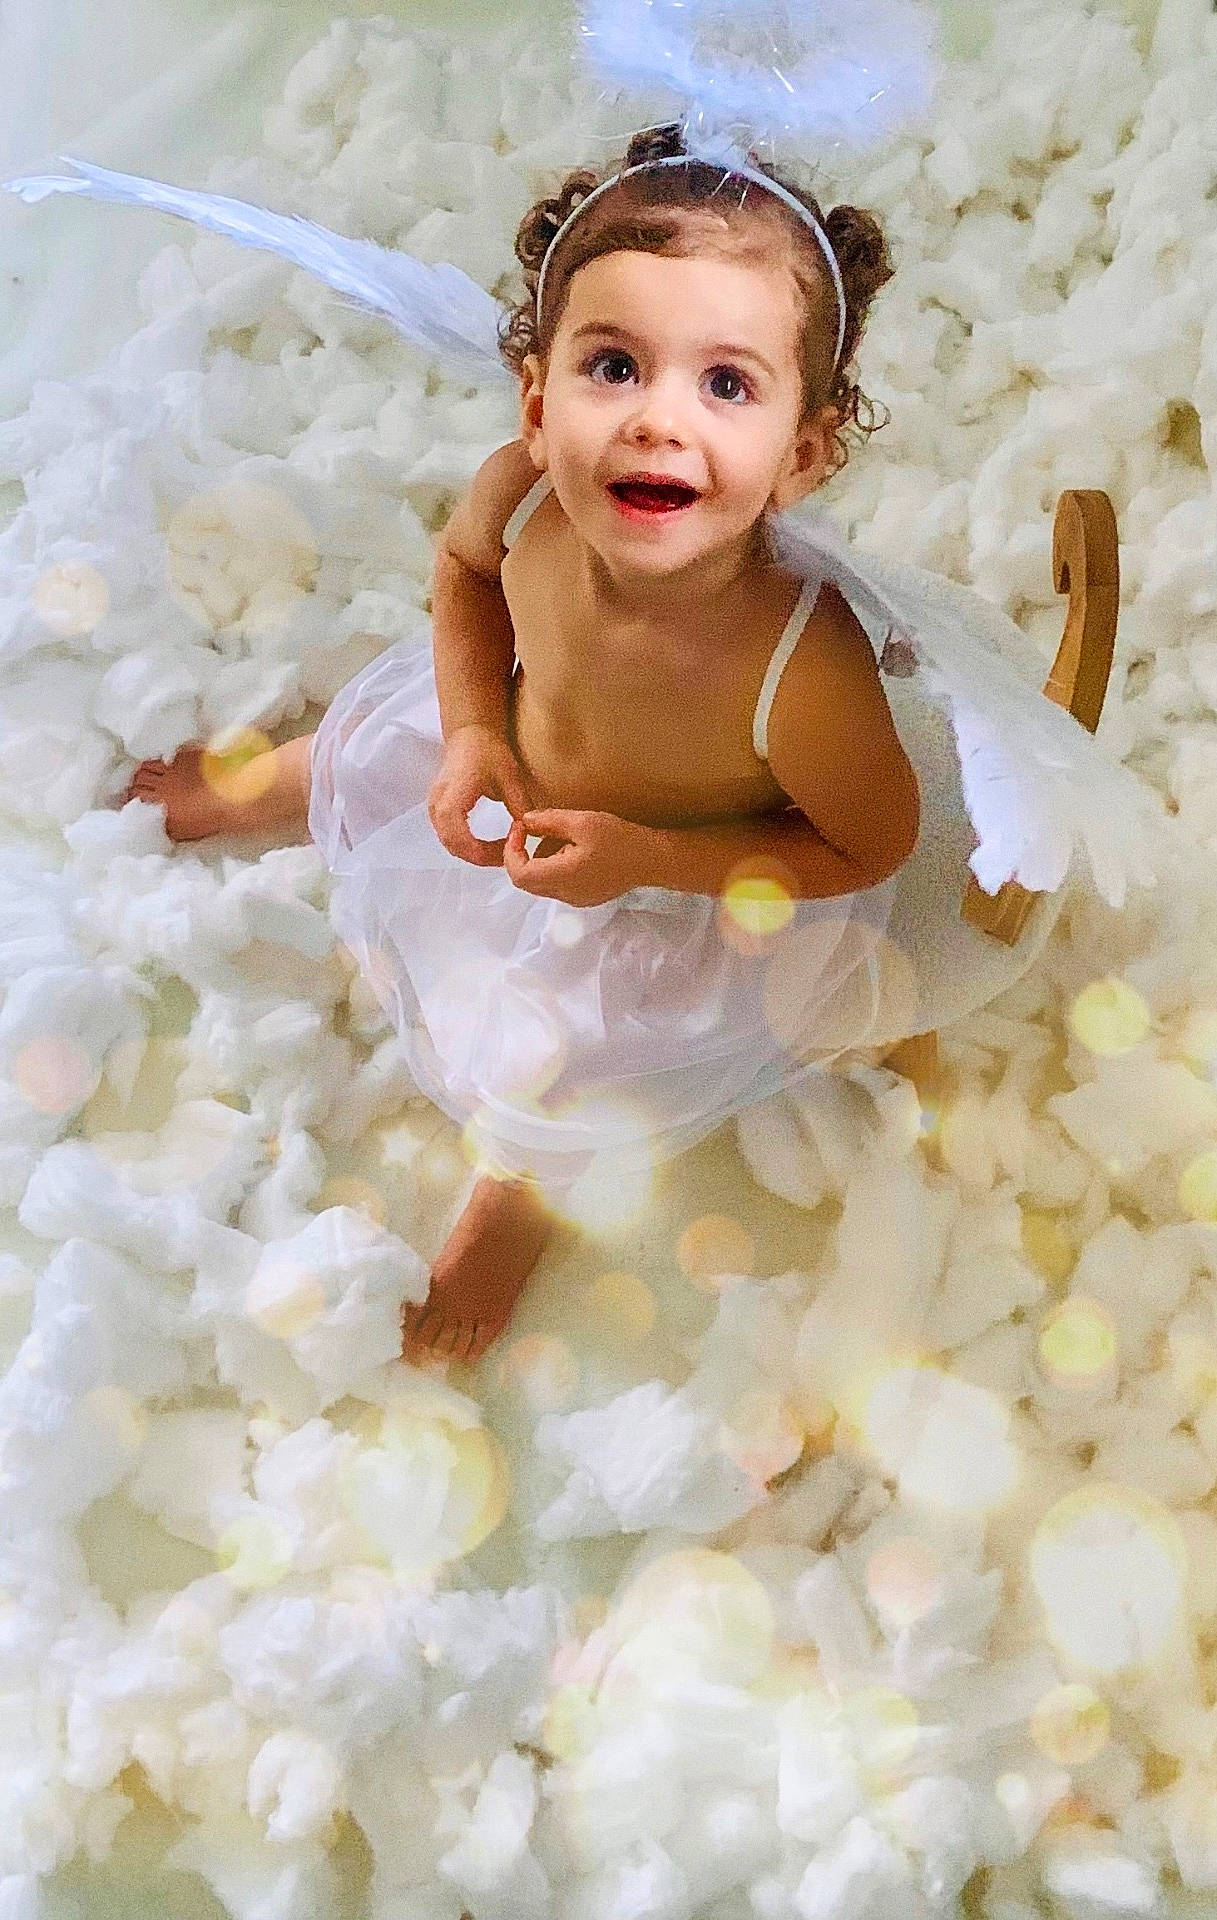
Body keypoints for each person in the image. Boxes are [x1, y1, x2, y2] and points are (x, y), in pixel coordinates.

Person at [121, 126, 924, 1365]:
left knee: (568, 1064)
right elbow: (460, 575)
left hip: (666, 880)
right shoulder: (526, 495)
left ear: (802, 453)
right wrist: (471, 733)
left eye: (724, 384)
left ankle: (518, 1198)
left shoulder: (798, 671)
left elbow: (866, 846)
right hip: (505, 756)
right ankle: (278, 787)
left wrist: (647, 855)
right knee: (367, 744)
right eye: (615, 365)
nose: (658, 421)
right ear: (539, 402)